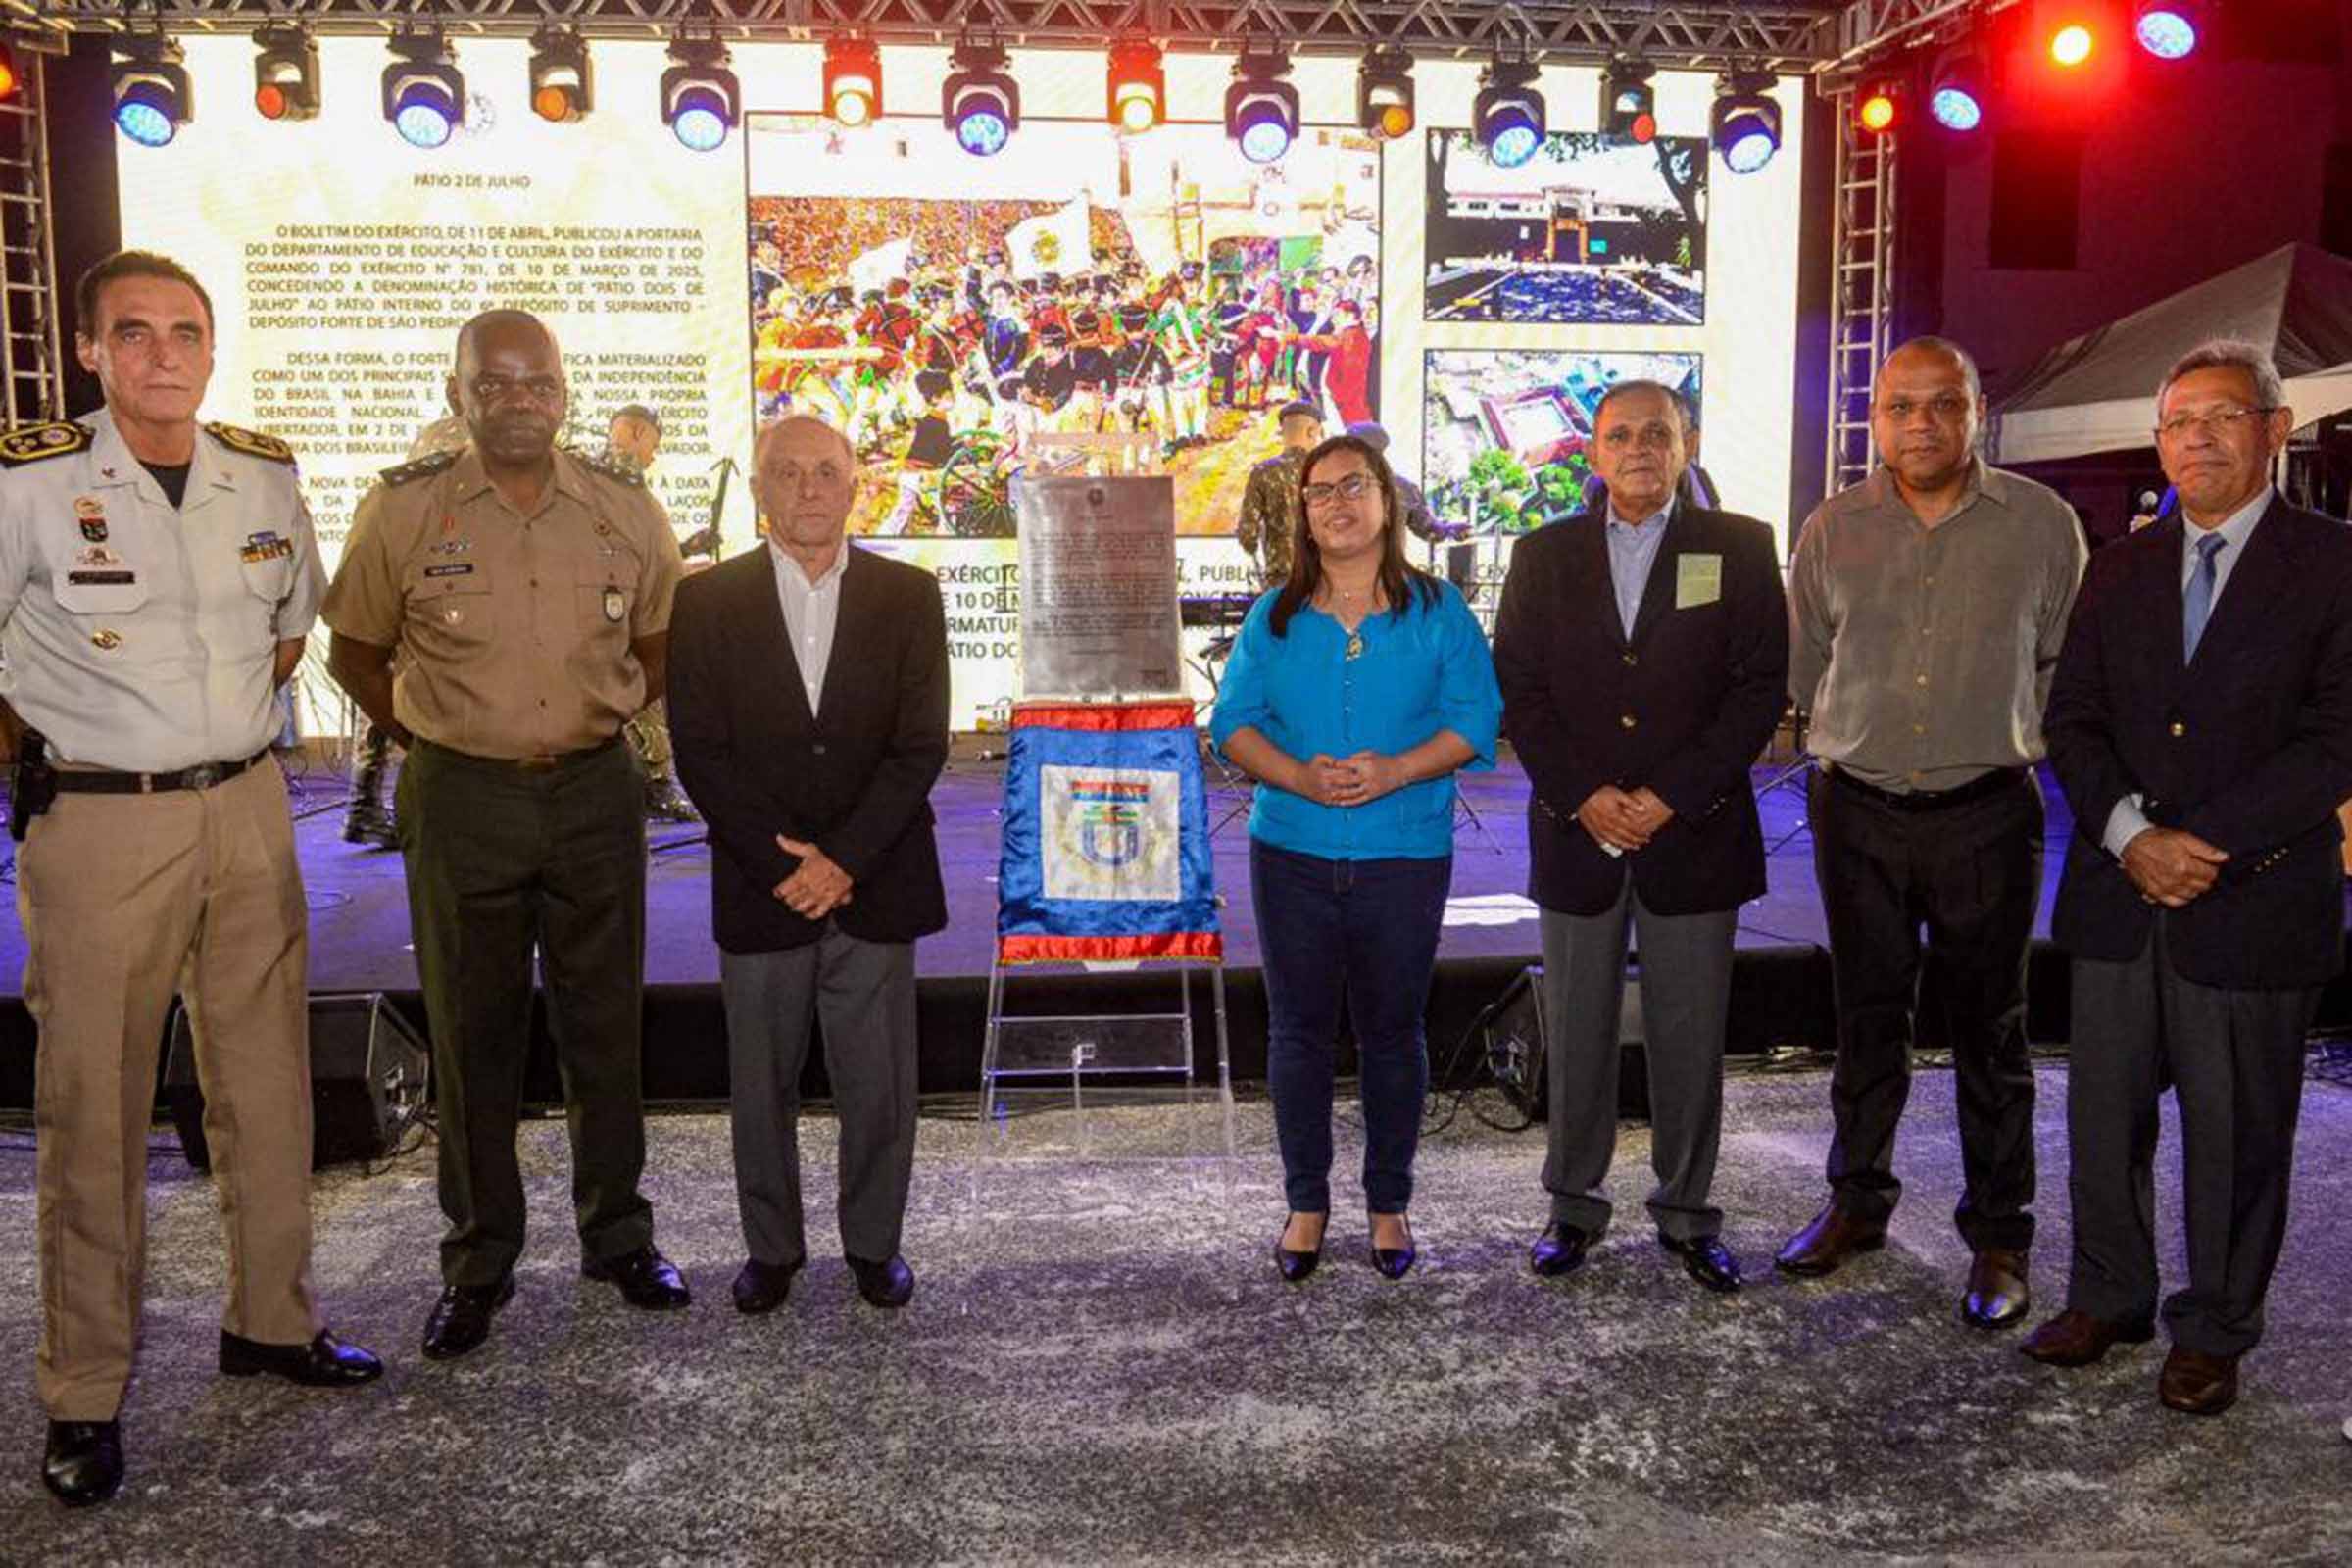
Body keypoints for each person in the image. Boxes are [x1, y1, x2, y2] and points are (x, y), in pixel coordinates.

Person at [4, 251, 381, 1508]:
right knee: (94, 1113)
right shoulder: (34, 479)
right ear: (93, 353)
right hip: (104, 823)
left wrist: (215, 747)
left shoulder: (261, 472)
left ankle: (271, 1319)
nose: (165, 354)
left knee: (266, 1085)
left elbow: (287, 635)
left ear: (212, 349)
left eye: (187, 332)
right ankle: (84, 1391)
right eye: (136, 333)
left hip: (246, 808)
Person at [322, 309, 690, 1360]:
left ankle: (618, 1236)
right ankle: (478, 1259)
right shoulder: (404, 513)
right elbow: (355, 652)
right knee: (471, 1032)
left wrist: (591, 720)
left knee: (604, 1026)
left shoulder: (625, 510)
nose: (519, 404)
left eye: (538, 386)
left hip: (591, 793)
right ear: (459, 395)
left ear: (565, 393)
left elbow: (657, 647)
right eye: (496, 386)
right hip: (461, 801)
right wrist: (437, 732)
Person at [2023, 341, 2352, 1416]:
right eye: (2177, 421)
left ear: (2276, 428)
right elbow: (2072, 721)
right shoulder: (2118, 565)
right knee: (2104, 1118)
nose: (2196, 438)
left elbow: (2336, 740)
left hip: (2250, 901)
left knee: (2238, 1130)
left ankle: (2213, 1327)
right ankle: (2109, 1294)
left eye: (2221, 416)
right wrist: (2128, 835)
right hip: (2122, 896)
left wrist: (2200, 844)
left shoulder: (2335, 565)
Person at [1777, 337, 2087, 1329]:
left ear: (1977, 409)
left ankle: (2000, 1235)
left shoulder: (2042, 525)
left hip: (1986, 811)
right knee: (1866, 1020)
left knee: (1991, 1032)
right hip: (1857, 809)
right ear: (1877, 419)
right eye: (1903, 408)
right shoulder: (1833, 528)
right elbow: (1806, 663)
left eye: (1942, 405)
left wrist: (2002, 732)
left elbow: (2062, 664)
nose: (1922, 425)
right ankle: (1856, 1204)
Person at [1492, 380, 1788, 1294]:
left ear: (1685, 444)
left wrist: (1667, 795)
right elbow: (1522, 690)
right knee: (1575, 1034)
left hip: (1692, 833)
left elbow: (1757, 689)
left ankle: (1688, 1213)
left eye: (1656, 435)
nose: (1638, 450)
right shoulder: (1543, 555)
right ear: (1593, 452)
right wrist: (1586, 794)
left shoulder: (1740, 547)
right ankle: (1573, 1208)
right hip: (1578, 834)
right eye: (1619, 435)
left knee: (1690, 1037)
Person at [667, 415, 950, 1314]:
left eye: (826, 471)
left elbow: (920, 745)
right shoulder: (707, 602)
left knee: (880, 1088)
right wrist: (783, 862)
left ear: (854, 481)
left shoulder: (910, 595)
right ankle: (772, 1251)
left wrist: (843, 861)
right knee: (761, 1085)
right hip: (763, 884)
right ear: (758, 491)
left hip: (876, 881)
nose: (809, 490)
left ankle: (874, 1245)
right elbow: (700, 750)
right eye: (786, 474)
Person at [1210, 432, 1501, 1283]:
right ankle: (1306, 1202)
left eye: (1354, 485)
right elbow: (1232, 724)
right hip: (1291, 853)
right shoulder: (1275, 615)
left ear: (1388, 501)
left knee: (1392, 1031)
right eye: (1319, 492)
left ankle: (1388, 1203)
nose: (1337, 503)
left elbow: (1476, 721)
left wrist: (1397, 771)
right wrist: (1298, 775)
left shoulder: (1439, 610)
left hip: (1403, 856)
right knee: (1297, 1032)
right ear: (1302, 513)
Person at [1235, 401, 1324, 589]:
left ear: (1282, 432)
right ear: (1312, 431)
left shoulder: (1263, 471)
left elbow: (1247, 533)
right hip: (1324, 578)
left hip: (1280, 578)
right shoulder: (1326, 472)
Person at [1344, 421, 1461, 547]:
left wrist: (1450, 530)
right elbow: (1429, 529)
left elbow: (1427, 528)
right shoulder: (1334, 485)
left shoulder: (1403, 489)